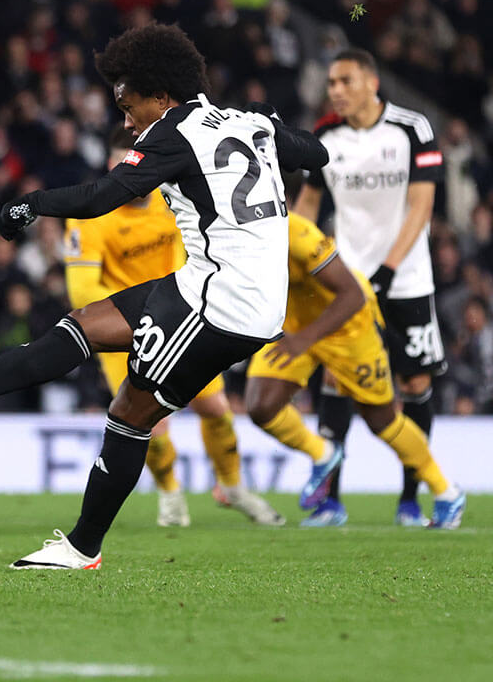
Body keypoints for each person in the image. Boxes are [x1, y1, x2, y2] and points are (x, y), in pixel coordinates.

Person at [0, 24, 328, 569]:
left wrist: (31, 203)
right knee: (85, 323)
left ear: (162, 96)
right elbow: (317, 153)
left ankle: (83, 546)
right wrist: (272, 122)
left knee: (131, 413)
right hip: (215, 285)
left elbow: (101, 197)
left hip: (223, 298)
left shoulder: (175, 132)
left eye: (130, 104)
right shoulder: (246, 122)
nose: (126, 119)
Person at [64, 128, 284, 527]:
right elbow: (82, 288)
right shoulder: (90, 217)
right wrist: (132, 316)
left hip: (181, 315)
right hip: (125, 329)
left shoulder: (171, 196)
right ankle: (170, 495)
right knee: (150, 420)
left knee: (216, 408)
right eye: (124, 166)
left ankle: (232, 487)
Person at [294, 48, 446, 527]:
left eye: (344, 81)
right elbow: (309, 204)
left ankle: (410, 499)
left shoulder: (411, 129)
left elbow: (421, 208)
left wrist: (387, 270)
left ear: (371, 82)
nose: (334, 90)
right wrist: (296, 264)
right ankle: (331, 502)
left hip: (407, 281)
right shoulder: (324, 135)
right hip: (348, 282)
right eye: (331, 83)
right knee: (340, 378)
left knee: (415, 384)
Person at [244, 208, 465, 528]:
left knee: (382, 420)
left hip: (348, 326)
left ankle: (446, 492)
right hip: (295, 324)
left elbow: (353, 296)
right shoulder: (236, 234)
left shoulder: (300, 234)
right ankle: (323, 453)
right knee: (260, 405)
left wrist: (304, 339)